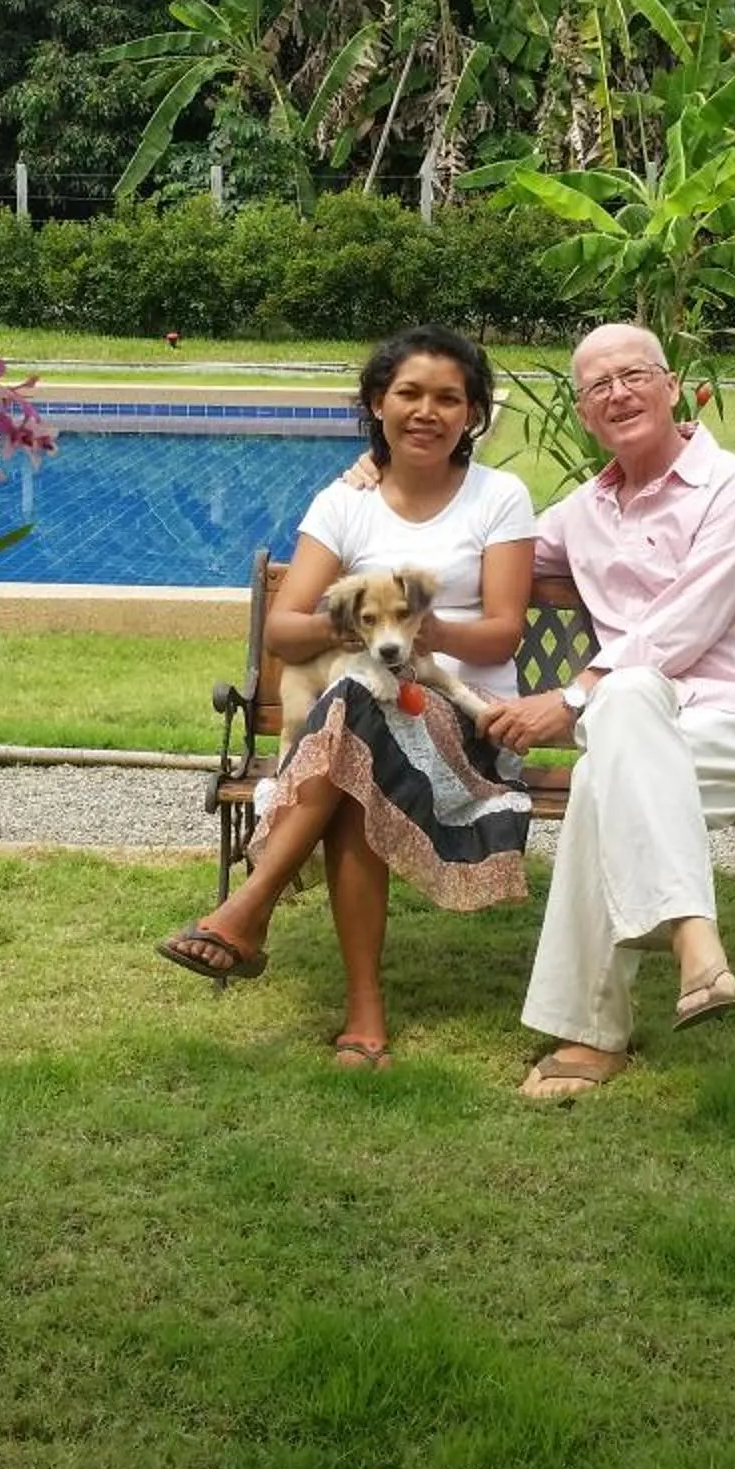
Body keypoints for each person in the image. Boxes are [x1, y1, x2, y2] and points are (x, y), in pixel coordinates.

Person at [157, 326, 537, 1070]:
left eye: (449, 398)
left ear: (472, 415)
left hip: (465, 726)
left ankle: (254, 912)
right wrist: (367, 632)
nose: (428, 411)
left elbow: (500, 637)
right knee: (360, 728)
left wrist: (417, 632)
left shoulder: (500, 497)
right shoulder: (343, 503)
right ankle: (353, 1009)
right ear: (377, 403)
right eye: (410, 394)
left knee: (355, 726)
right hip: (357, 722)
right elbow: (288, 625)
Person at [482, 323, 735, 1103]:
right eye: (598, 387)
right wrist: (376, 475)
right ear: (586, 416)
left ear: (672, 386)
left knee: (614, 716)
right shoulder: (581, 514)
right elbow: (484, 547)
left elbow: (687, 622)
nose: (618, 393)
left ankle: (590, 1032)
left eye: (634, 375)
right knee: (613, 748)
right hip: (636, 730)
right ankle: (697, 945)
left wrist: (571, 697)